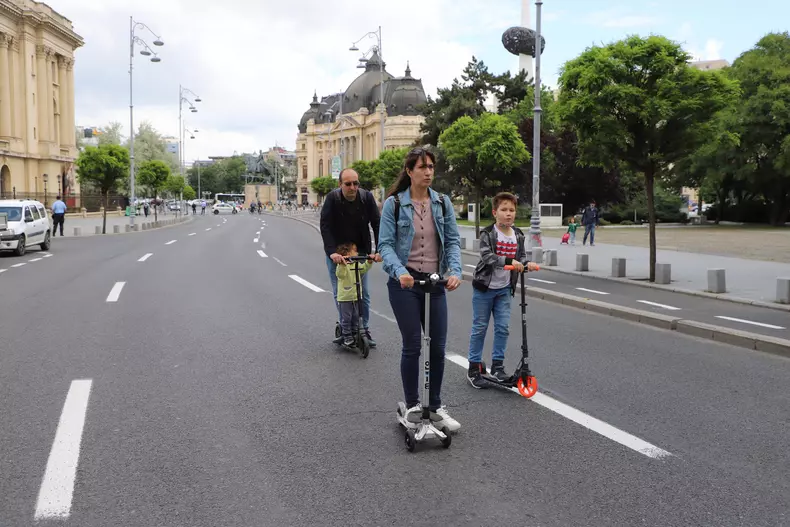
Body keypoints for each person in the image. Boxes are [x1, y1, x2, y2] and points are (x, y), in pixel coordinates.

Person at [378, 147, 463, 432]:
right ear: (409, 171)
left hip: (434, 281)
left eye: (431, 167)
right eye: (422, 167)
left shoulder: (442, 202)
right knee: (413, 343)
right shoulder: (393, 204)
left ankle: (436, 406)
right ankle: (414, 405)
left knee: (438, 347)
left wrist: (455, 272)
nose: (428, 172)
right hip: (405, 283)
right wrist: (399, 271)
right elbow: (385, 246)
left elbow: (451, 240)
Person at [467, 192, 539, 388]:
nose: (508, 214)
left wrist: (527, 264)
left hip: (505, 289)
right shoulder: (488, 234)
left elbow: (521, 257)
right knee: (480, 327)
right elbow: (486, 257)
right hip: (484, 288)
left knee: (503, 328)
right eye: (504, 210)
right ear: (495, 212)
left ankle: (497, 366)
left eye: (512, 210)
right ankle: (474, 367)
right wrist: (509, 261)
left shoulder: (518, 235)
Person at [320, 168, 381, 347]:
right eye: (348, 184)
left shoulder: (366, 197)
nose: (353, 187)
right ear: (340, 185)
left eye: (356, 183)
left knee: (364, 293)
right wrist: (332, 252)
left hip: (360, 252)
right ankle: (346, 327)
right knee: (341, 293)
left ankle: (364, 328)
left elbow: (377, 224)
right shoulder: (332, 198)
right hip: (338, 254)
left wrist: (379, 250)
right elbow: (325, 226)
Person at [335, 243, 375, 347]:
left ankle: (354, 333)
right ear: (348, 253)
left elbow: (363, 269)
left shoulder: (355, 264)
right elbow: (340, 274)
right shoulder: (341, 267)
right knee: (346, 318)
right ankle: (347, 336)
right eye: (355, 251)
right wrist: (343, 264)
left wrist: (369, 261)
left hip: (356, 296)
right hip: (345, 298)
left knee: (356, 316)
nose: (357, 253)